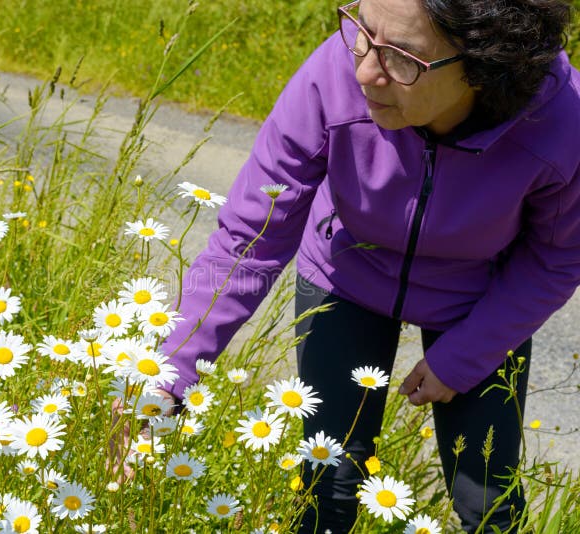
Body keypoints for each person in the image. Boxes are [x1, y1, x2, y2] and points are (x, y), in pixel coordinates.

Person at [146, 0, 579, 531]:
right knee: (326, 481)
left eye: (402, 57)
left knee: (487, 500)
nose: (365, 71)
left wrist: (462, 358)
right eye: (363, 30)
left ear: (485, 69)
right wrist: (168, 374)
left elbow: (558, 255)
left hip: (478, 297)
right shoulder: (336, 71)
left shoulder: (561, 120)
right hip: (344, 272)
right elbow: (252, 234)